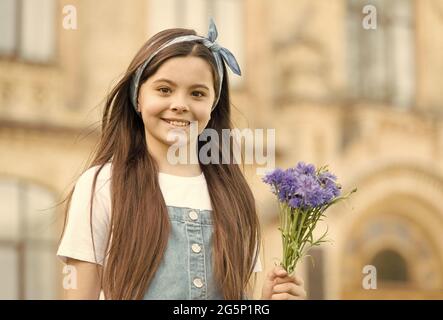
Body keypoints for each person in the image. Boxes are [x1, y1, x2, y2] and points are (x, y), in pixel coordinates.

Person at [57, 18, 306, 300]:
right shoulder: (102, 184)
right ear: (138, 97)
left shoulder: (234, 195)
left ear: (212, 105)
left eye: (197, 93)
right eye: (164, 89)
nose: (180, 104)